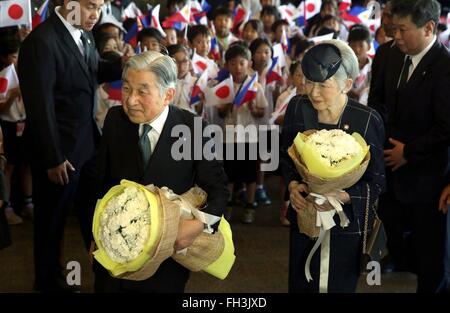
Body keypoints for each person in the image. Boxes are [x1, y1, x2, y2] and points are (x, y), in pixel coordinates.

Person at [92, 51, 228, 292]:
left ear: (168, 95)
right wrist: (94, 233)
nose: (131, 100)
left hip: (167, 260)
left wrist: (197, 226)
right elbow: (100, 181)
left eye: (142, 92)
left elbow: (217, 191)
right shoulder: (114, 120)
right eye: (126, 89)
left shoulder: (195, 130)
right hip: (115, 253)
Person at [18, 0, 123, 292]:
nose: (96, 14)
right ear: (66, 2)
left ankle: (107, 271)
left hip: (87, 145)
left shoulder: (84, 33)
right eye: (90, 5)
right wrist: (53, 158)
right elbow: (40, 106)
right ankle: (48, 283)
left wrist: (123, 66)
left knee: (95, 213)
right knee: (52, 223)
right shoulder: (40, 43)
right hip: (58, 154)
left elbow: (91, 71)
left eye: (99, 6)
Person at [280, 40, 386, 293]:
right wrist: (293, 184)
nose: (314, 92)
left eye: (323, 85)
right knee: (300, 284)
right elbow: (285, 157)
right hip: (305, 218)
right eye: (309, 82)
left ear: (347, 85)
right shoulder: (298, 107)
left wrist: (344, 195)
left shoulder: (366, 119)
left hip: (346, 226)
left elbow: (379, 180)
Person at [368, 0, 450, 292]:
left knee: (432, 258)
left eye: (403, 30)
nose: (396, 36)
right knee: (399, 243)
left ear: (429, 27)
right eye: (393, 28)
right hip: (390, 173)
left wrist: (409, 153)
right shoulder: (388, 55)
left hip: (430, 179)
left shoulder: (445, 65)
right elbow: (376, 103)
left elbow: (446, 128)